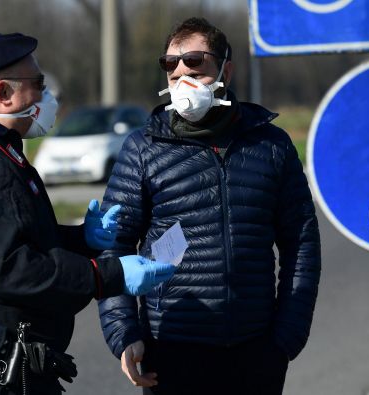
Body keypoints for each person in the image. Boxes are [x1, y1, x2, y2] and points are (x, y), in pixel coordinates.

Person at [0, 32, 175, 395]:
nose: (47, 95)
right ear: (3, 94)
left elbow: (18, 238)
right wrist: (107, 275)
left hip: (13, 369)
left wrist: (80, 239)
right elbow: (12, 268)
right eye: (38, 83)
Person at [97, 18, 321, 395]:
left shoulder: (271, 145)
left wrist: (287, 336)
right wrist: (124, 332)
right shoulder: (143, 148)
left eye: (196, 66)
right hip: (171, 347)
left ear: (225, 71)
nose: (182, 79)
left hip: (256, 351)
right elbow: (113, 248)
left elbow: (302, 243)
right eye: (172, 67)